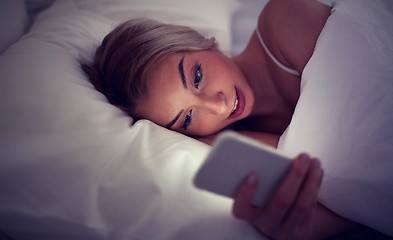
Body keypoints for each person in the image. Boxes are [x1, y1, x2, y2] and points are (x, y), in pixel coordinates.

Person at [81, 0, 361, 238]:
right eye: (187, 118)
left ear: (198, 42)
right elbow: (361, 204)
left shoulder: (286, 19)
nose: (217, 105)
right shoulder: (239, 149)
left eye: (197, 77)